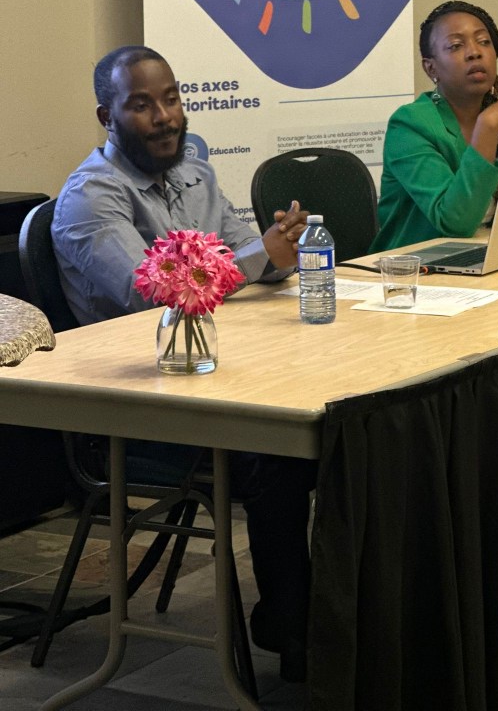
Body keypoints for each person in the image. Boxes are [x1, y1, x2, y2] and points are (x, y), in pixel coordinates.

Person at [52, 45, 316, 682]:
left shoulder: (196, 174)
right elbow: (155, 295)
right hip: (139, 404)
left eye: (171, 98)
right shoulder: (92, 197)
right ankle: (297, 629)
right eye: (142, 105)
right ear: (107, 116)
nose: (165, 116)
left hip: (215, 371)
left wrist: (276, 249)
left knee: (346, 424)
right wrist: (256, 258)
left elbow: (243, 254)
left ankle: (348, 610)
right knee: (278, 452)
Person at [369, 0, 498, 252]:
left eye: (484, 42)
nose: (475, 52)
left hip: (494, 250)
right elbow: (454, 223)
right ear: (431, 68)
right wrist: (487, 128)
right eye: (456, 46)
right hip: (418, 263)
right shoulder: (410, 125)